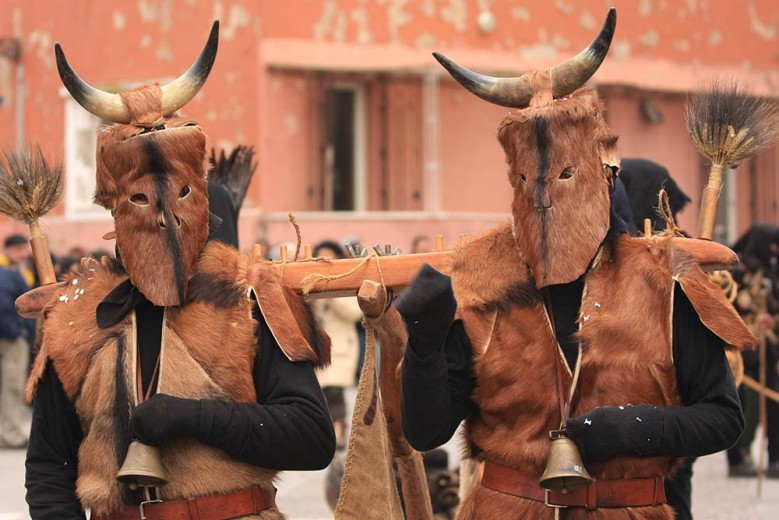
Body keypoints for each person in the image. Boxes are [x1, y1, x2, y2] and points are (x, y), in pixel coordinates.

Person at [397, 9, 753, 519]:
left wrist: (631, 427)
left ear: (600, 177)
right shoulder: (479, 282)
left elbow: (722, 418)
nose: (542, 199)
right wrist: (425, 347)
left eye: (563, 177)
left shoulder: (660, 282)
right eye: (525, 182)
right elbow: (425, 432)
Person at [25, 22, 335, 520]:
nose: (164, 217)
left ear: (203, 195)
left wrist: (195, 416)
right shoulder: (75, 319)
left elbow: (311, 439)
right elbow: (48, 468)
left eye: (182, 195)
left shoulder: (249, 298)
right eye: (142, 198)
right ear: (114, 207)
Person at [727, 224, 779, 479]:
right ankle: (738, 456)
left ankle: (775, 457)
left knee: (773, 401)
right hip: (739, 349)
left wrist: (773, 319)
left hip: (765, 348)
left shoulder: (770, 269)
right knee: (740, 402)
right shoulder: (736, 271)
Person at [312, 240, 363, 450]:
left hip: (340, 347)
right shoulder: (309, 279)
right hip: (317, 346)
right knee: (318, 394)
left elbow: (355, 313)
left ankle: (339, 432)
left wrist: (331, 293)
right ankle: (325, 433)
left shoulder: (348, 281)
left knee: (334, 392)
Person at [0, 265, 35, 448]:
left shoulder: (13, 273)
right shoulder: (11, 274)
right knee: (12, 387)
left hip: (12, 336)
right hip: (12, 338)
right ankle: (10, 434)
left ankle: (9, 432)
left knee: (12, 387)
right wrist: (20, 331)